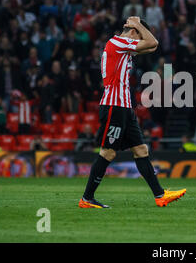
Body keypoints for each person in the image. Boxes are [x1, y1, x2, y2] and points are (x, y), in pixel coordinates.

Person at [79, 16, 186, 209]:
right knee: (108, 152)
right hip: (115, 106)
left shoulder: (123, 47)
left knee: (141, 150)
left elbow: (152, 46)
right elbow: (153, 42)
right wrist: (136, 24)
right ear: (133, 32)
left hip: (125, 107)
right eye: (138, 34)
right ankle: (87, 198)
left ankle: (160, 195)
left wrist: (139, 27)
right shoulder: (118, 42)